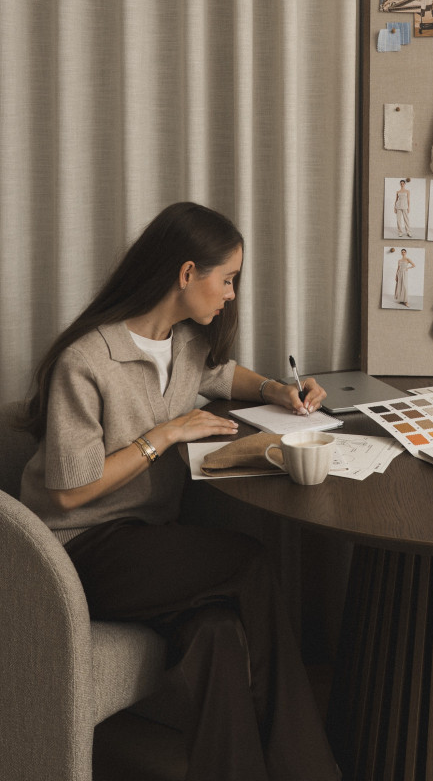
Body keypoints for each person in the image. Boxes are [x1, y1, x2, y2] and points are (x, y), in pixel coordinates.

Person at [18, 202, 339, 781]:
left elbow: (221, 375)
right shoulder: (86, 361)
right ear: (187, 274)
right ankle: (307, 769)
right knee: (249, 564)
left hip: (147, 545)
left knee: (215, 632)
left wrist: (276, 389)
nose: (232, 294)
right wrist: (162, 437)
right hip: (75, 553)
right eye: (228, 279)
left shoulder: (184, 342)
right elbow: (67, 494)